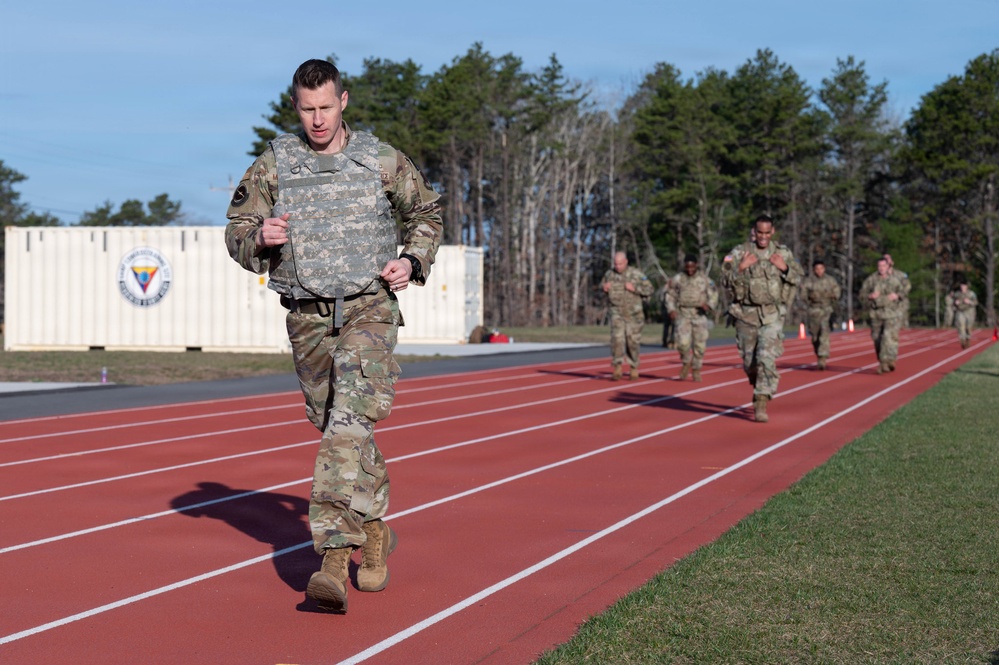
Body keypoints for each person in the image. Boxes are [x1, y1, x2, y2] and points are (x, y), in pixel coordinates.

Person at [224, 59, 443, 613]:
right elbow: (237, 231)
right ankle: (374, 533)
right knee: (336, 428)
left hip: (369, 310)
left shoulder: (381, 159)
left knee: (346, 428)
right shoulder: (276, 163)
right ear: (294, 106)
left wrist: (412, 259)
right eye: (306, 108)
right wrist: (261, 238)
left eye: (325, 107)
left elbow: (427, 214)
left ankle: (331, 562)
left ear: (343, 100)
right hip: (306, 315)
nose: (317, 119)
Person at [722, 214, 803, 423]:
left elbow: (798, 276)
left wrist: (784, 268)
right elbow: (724, 278)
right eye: (760, 232)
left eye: (767, 233)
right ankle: (756, 380)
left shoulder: (782, 252)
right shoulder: (740, 252)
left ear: (772, 232)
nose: (763, 237)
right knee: (750, 363)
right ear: (754, 231)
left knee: (766, 358)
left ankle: (760, 401)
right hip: (745, 315)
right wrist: (740, 268)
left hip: (772, 315)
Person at [665, 254, 719, 381]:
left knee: (700, 345)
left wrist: (709, 305)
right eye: (687, 266)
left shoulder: (704, 279)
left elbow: (714, 293)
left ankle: (696, 369)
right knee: (683, 344)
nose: (690, 269)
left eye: (692, 266)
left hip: (698, 314)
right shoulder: (678, 279)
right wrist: (671, 309)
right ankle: (686, 362)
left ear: (696, 265)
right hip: (683, 313)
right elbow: (670, 295)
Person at [601, 251, 654, 380]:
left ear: (626, 262)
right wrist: (604, 287)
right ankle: (617, 367)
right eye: (615, 264)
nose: (617, 266)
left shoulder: (636, 274)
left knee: (632, 342)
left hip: (633, 314)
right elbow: (602, 286)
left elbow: (650, 289)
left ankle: (633, 366)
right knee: (617, 340)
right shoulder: (609, 274)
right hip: (616, 312)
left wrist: (635, 288)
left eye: (620, 264)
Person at [859, 257, 907, 374]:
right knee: (877, 338)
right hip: (876, 314)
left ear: (888, 267)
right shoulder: (871, 280)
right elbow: (862, 294)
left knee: (888, 337)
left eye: (883, 266)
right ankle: (884, 359)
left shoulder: (895, 280)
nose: (881, 268)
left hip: (891, 313)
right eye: (879, 266)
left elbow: (904, 291)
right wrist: (870, 296)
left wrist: (897, 295)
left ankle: (887, 361)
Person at [798, 258, 841, 370]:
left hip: (827, 309)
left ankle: (822, 357)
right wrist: (810, 298)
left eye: (821, 268)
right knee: (815, 336)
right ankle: (819, 352)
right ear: (814, 269)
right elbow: (803, 295)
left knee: (824, 332)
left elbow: (837, 292)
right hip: (814, 311)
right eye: (817, 269)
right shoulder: (808, 281)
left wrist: (833, 296)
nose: (819, 271)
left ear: (824, 268)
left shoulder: (830, 280)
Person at [951, 278, 979, 348]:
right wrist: (955, 303)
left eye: (964, 285)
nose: (962, 287)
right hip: (960, 311)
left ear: (966, 286)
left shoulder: (971, 293)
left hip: (969, 311)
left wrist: (969, 302)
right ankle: (962, 340)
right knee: (961, 326)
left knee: (968, 327)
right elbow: (952, 302)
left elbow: (976, 302)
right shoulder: (957, 293)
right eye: (961, 285)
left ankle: (968, 338)